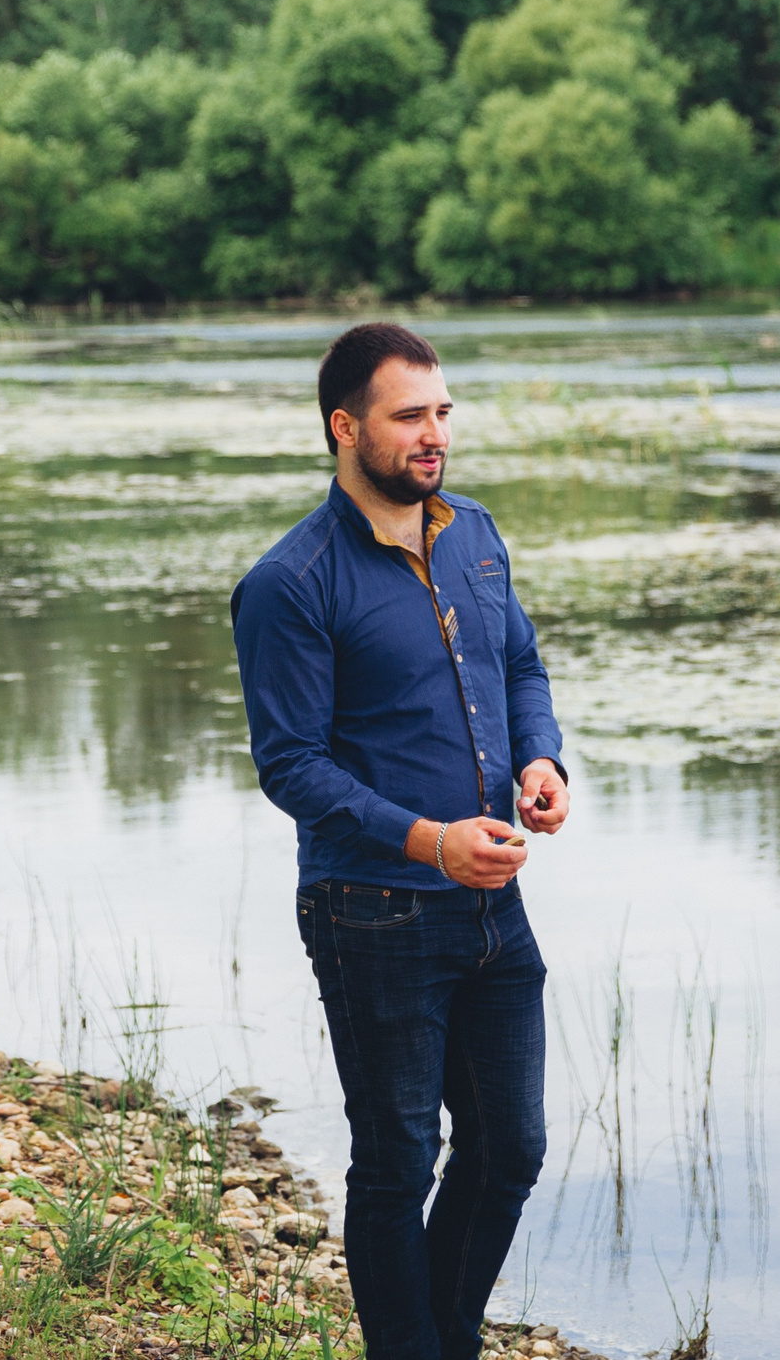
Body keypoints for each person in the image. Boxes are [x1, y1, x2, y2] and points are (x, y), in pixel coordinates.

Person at [230, 321, 570, 1360]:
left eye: (442, 412)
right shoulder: (289, 582)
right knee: (395, 1160)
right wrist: (428, 840)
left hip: (489, 902)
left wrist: (539, 761)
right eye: (409, 415)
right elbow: (290, 767)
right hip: (368, 907)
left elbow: (518, 662)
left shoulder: (473, 533)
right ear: (346, 427)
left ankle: (438, 1341)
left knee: (510, 1145)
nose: (435, 434)